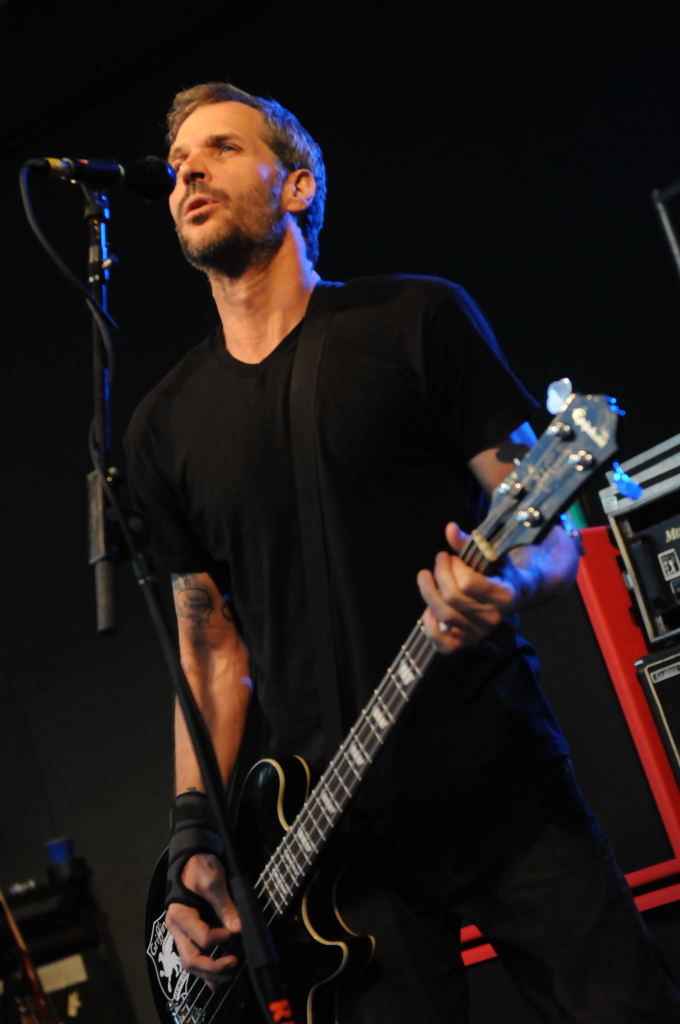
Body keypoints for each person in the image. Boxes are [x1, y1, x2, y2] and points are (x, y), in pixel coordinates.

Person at [125, 82, 680, 1022]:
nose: (187, 173)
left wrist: (509, 585)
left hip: (496, 781)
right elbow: (210, 654)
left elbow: (545, 529)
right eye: (179, 163)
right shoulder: (162, 426)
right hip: (333, 843)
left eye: (221, 148)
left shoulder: (414, 320)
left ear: (297, 186)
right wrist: (193, 844)